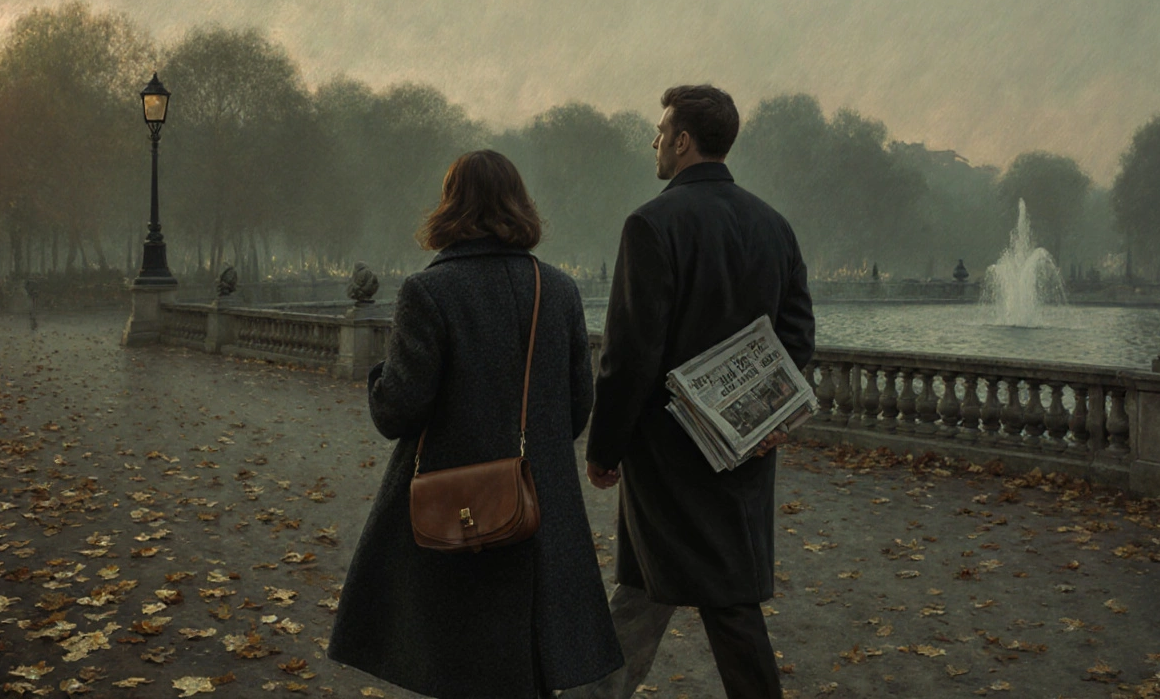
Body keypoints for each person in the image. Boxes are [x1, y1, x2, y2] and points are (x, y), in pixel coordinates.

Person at [328, 150, 623, 699]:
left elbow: (397, 411)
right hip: (539, 511)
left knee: (459, 664)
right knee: (529, 668)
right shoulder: (556, 290)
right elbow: (578, 407)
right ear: (518, 205)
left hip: (456, 513)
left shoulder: (429, 292)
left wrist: (377, 377)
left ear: (450, 206)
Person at [570, 85, 815, 699]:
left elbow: (630, 356)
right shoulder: (773, 225)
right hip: (743, 452)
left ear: (682, 142)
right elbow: (796, 339)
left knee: (685, 591)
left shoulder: (653, 223)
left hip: (669, 452)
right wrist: (763, 423)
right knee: (677, 587)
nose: (654, 142)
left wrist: (605, 446)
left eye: (660, 131)